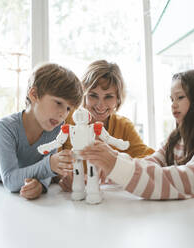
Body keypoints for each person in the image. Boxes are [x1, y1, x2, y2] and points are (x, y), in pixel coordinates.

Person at [80, 69, 194, 210]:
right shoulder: (176, 139)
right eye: (171, 99)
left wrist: (115, 164)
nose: (173, 105)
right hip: (187, 220)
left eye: (180, 97)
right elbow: (151, 162)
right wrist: (109, 169)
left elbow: (186, 180)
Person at [0, 63, 83, 200]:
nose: (63, 114)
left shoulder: (55, 129)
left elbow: (44, 176)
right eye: (58, 103)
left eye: (68, 109)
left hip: (18, 174)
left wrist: (40, 186)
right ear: (34, 94)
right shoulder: (5, 127)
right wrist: (49, 165)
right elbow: (11, 181)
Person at [58, 60, 155, 191]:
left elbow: (150, 159)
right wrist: (65, 176)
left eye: (108, 97)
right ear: (83, 96)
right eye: (93, 95)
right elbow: (52, 161)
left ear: (118, 99)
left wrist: (117, 165)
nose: (100, 105)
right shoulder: (66, 120)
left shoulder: (124, 126)